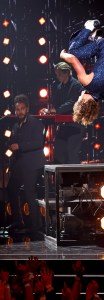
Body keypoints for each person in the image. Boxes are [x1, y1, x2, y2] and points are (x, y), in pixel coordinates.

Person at [59, 19, 104, 126]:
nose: (78, 97)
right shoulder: (86, 82)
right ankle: (89, 27)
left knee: (92, 58)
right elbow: (72, 59)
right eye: (79, 100)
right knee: (72, 51)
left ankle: (94, 38)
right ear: (83, 102)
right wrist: (62, 56)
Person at [6, 94, 46, 239]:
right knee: (11, 189)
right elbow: (13, 142)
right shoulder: (16, 125)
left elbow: (38, 143)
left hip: (33, 163)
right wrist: (9, 144)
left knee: (30, 192)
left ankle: (35, 227)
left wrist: (20, 146)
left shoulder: (35, 123)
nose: (19, 112)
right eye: (17, 109)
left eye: (22, 109)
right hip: (20, 164)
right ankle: (18, 222)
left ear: (27, 109)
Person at [40, 62, 85, 164]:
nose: (58, 77)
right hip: (64, 125)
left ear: (67, 73)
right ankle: (60, 178)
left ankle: (76, 178)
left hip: (76, 125)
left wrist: (56, 110)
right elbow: (56, 104)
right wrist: (48, 111)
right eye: (57, 74)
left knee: (72, 154)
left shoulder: (76, 86)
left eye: (59, 74)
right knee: (59, 153)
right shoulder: (60, 87)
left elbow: (72, 103)